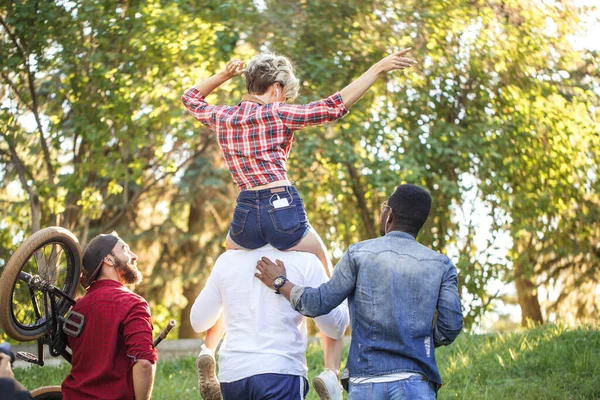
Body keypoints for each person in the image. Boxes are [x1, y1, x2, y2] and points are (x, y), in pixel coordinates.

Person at [182, 49, 418, 395]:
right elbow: (334, 106)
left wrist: (222, 77)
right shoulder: (278, 113)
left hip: (245, 212)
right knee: (325, 268)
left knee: (228, 266)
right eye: (287, 93)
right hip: (282, 208)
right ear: (277, 88)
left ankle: (209, 348)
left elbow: (190, 98)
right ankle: (331, 370)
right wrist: (377, 68)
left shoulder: (223, 116)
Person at [256, 184, 464, 399]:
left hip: (366, 383)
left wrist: (280, 282)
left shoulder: (359, 254)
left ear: (389, 215)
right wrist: (422, 341)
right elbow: (451, 325)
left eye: (385, 207)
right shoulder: (441, 265)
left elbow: (319, 303)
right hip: (415, 382)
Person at [190, 245, 350, 400]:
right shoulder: (306, 260)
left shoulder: (226, 260)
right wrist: (343, 297)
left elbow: (198, 322)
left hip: (233, 376)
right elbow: (334, 327)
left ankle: (207, 350)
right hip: (280, 373)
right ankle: (331, 374)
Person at [61, 232, 158, 400]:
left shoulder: (77, 307)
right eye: (125, 250)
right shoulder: (133, 303)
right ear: (109, 259)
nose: (134, 256)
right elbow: (143, 363)